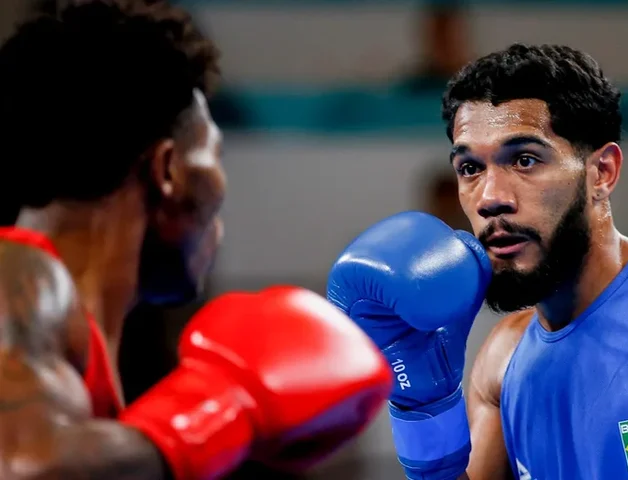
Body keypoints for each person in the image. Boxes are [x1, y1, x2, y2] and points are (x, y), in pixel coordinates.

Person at [328, 44, 628, 480]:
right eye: (469, 169)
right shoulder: (502, 361)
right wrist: (422, 409)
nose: (490, 198)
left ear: (602, 172)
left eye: (524, 160)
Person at [0, 1, 391, 479]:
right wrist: (217, 412)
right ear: (167, 171)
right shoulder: (19, 273)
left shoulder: (76, 362)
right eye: (213, 154)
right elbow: (24, 465)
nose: (222, 202)